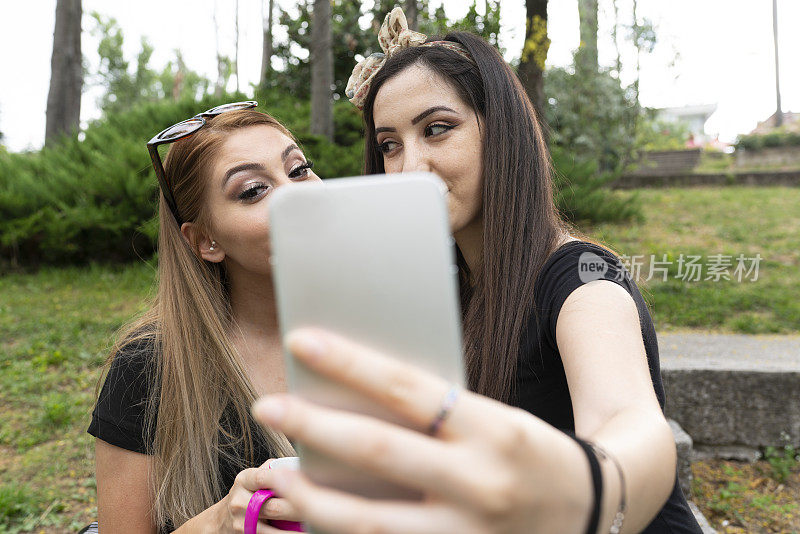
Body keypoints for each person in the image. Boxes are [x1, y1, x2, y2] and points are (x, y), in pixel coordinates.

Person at [250, 8, 703, 534]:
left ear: (501, 130)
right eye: (389, 145)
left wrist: (590, 489)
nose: (408, 167)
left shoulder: (583, 281)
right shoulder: (431, 290)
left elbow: (630, 425)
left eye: (437, 130)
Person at [88, 102, 309, 533]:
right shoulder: (150, 365)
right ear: (206, 240)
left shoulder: (380, 328)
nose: (298, 195)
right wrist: (221, 524)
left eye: (298, 170)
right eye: (253, 190)